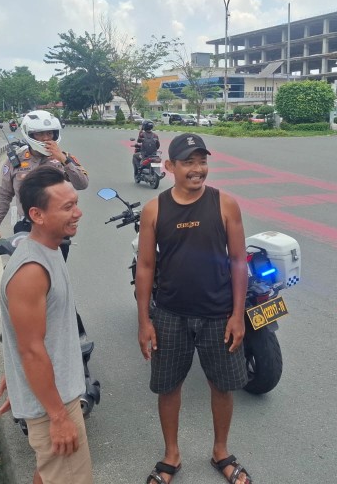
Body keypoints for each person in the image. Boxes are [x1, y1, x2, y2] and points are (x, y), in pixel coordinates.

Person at [135, 133, 253, 484]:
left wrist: (237, 315)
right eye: (188, 162)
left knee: (222, 386)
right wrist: (145, 321)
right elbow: (144, 267)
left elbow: (237, 262)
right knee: (169, 387)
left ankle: (221, 451)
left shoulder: (225, 204)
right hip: (170, 314)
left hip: (218, 314)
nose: (198, 169)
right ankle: (171, 454)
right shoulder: (154, 209)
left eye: (202, 161)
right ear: (169, 166)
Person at [0, 167, 92, 484]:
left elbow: (29, 339)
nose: (77, 213)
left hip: (53, 392)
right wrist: (58, 416)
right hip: (54, 403)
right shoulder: (31, 270)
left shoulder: (51, 250)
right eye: (67, 207)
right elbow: (32, 350)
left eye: (75, 203)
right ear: (36, 215)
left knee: (51, 472)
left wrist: (20, 380)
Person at [0, 110, 88, 243]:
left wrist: (63, 160)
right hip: (27, 228)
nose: (46, 138)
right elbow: (4, 194)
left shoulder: (65, 158)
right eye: (40, 133)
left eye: (49, 133)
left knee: (55, 264)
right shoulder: (16, 161)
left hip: (57, 227)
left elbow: (82, 184)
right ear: (29, 134)